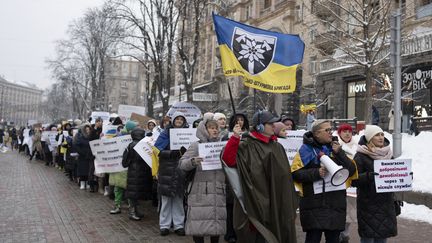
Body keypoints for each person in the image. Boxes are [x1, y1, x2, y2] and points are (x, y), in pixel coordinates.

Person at [222, 110, 298, 243]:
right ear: (260, 126)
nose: (275, 126)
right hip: (257, 203)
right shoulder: (247, 145)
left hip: (278, 201)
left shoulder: (277, 146)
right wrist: (235, 137)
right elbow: (228, 160)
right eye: (271, 123)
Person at [291, 120, 357, 243]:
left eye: (331, 129)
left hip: (335, 204)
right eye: (327, 130)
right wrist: (316, 173)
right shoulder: (305, 150)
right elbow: (295, 174)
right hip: (314, 204)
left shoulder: (336, 147)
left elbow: (352, 171)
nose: (330, 133)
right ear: (316, 133)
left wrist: (340, 153)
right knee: (313, 239)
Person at [179, 118, 226, 243]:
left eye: (216, 127)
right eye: (211, 127)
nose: (215, 130)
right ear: (204, 130)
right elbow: (182, 164)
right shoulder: (196, 145)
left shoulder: (222, 145)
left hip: (218, 189)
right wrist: (193, 161)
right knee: (198, 224)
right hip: (199, 190)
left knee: (216, 226)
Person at [352, 125, 397, 243]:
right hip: (368, 204)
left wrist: (404, 175)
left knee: (382, 237)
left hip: (385, 203)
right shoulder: (360, 156)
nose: (381, 137)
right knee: (368, 238)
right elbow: (353, 180)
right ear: (370, 138)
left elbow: (394, 174)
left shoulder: (388, 154)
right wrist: (368, 176)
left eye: (382, 134)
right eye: (377, 135)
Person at [154, 112, 188, 236]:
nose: (179, 121)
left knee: (179, 198)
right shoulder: (165, 133)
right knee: (166, 199)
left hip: (180, 169)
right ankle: (164, 225)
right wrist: (171, 153)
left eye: (181, 119)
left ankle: (179, 225)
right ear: (173, 121)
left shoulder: (188, 133)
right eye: (177, 119)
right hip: (166, 170)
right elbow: (157, 150)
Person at [223, 112, 250, 243]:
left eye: (242, 120)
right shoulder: (226, 136)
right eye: (237, 120)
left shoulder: (249, 137)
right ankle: (230, 233)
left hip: (245, 176)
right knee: (231, 207)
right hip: (230, 176)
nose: (239, 122)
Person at [122, 127, 153, 221]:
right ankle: (133, 212)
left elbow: (125, 163)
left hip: (133, 172)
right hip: (143, 171)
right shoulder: (145, 145)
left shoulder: (130, 145)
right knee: (136, 193)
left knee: (133, 194)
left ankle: (134, 211)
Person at [336, 124, 358, 243]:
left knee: (350, 212)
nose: (347, 134)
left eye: (349, 131)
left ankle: (345, 234)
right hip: (339, 183)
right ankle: (338, 234)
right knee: (340, 211)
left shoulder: (356, 147)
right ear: (339, 133)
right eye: (344, 131)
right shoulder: (336, 146)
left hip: (352, 185)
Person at [73, 124, 93, 190]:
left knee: (88, 170)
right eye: (86, 130)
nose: (88, 131)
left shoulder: (91, 137)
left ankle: (88, 183)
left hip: (89, 156)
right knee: (82, 170)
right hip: (82, 156)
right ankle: (82, 182)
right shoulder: (80, 137)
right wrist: (82, 152)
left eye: (89, 130)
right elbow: (77, 146)